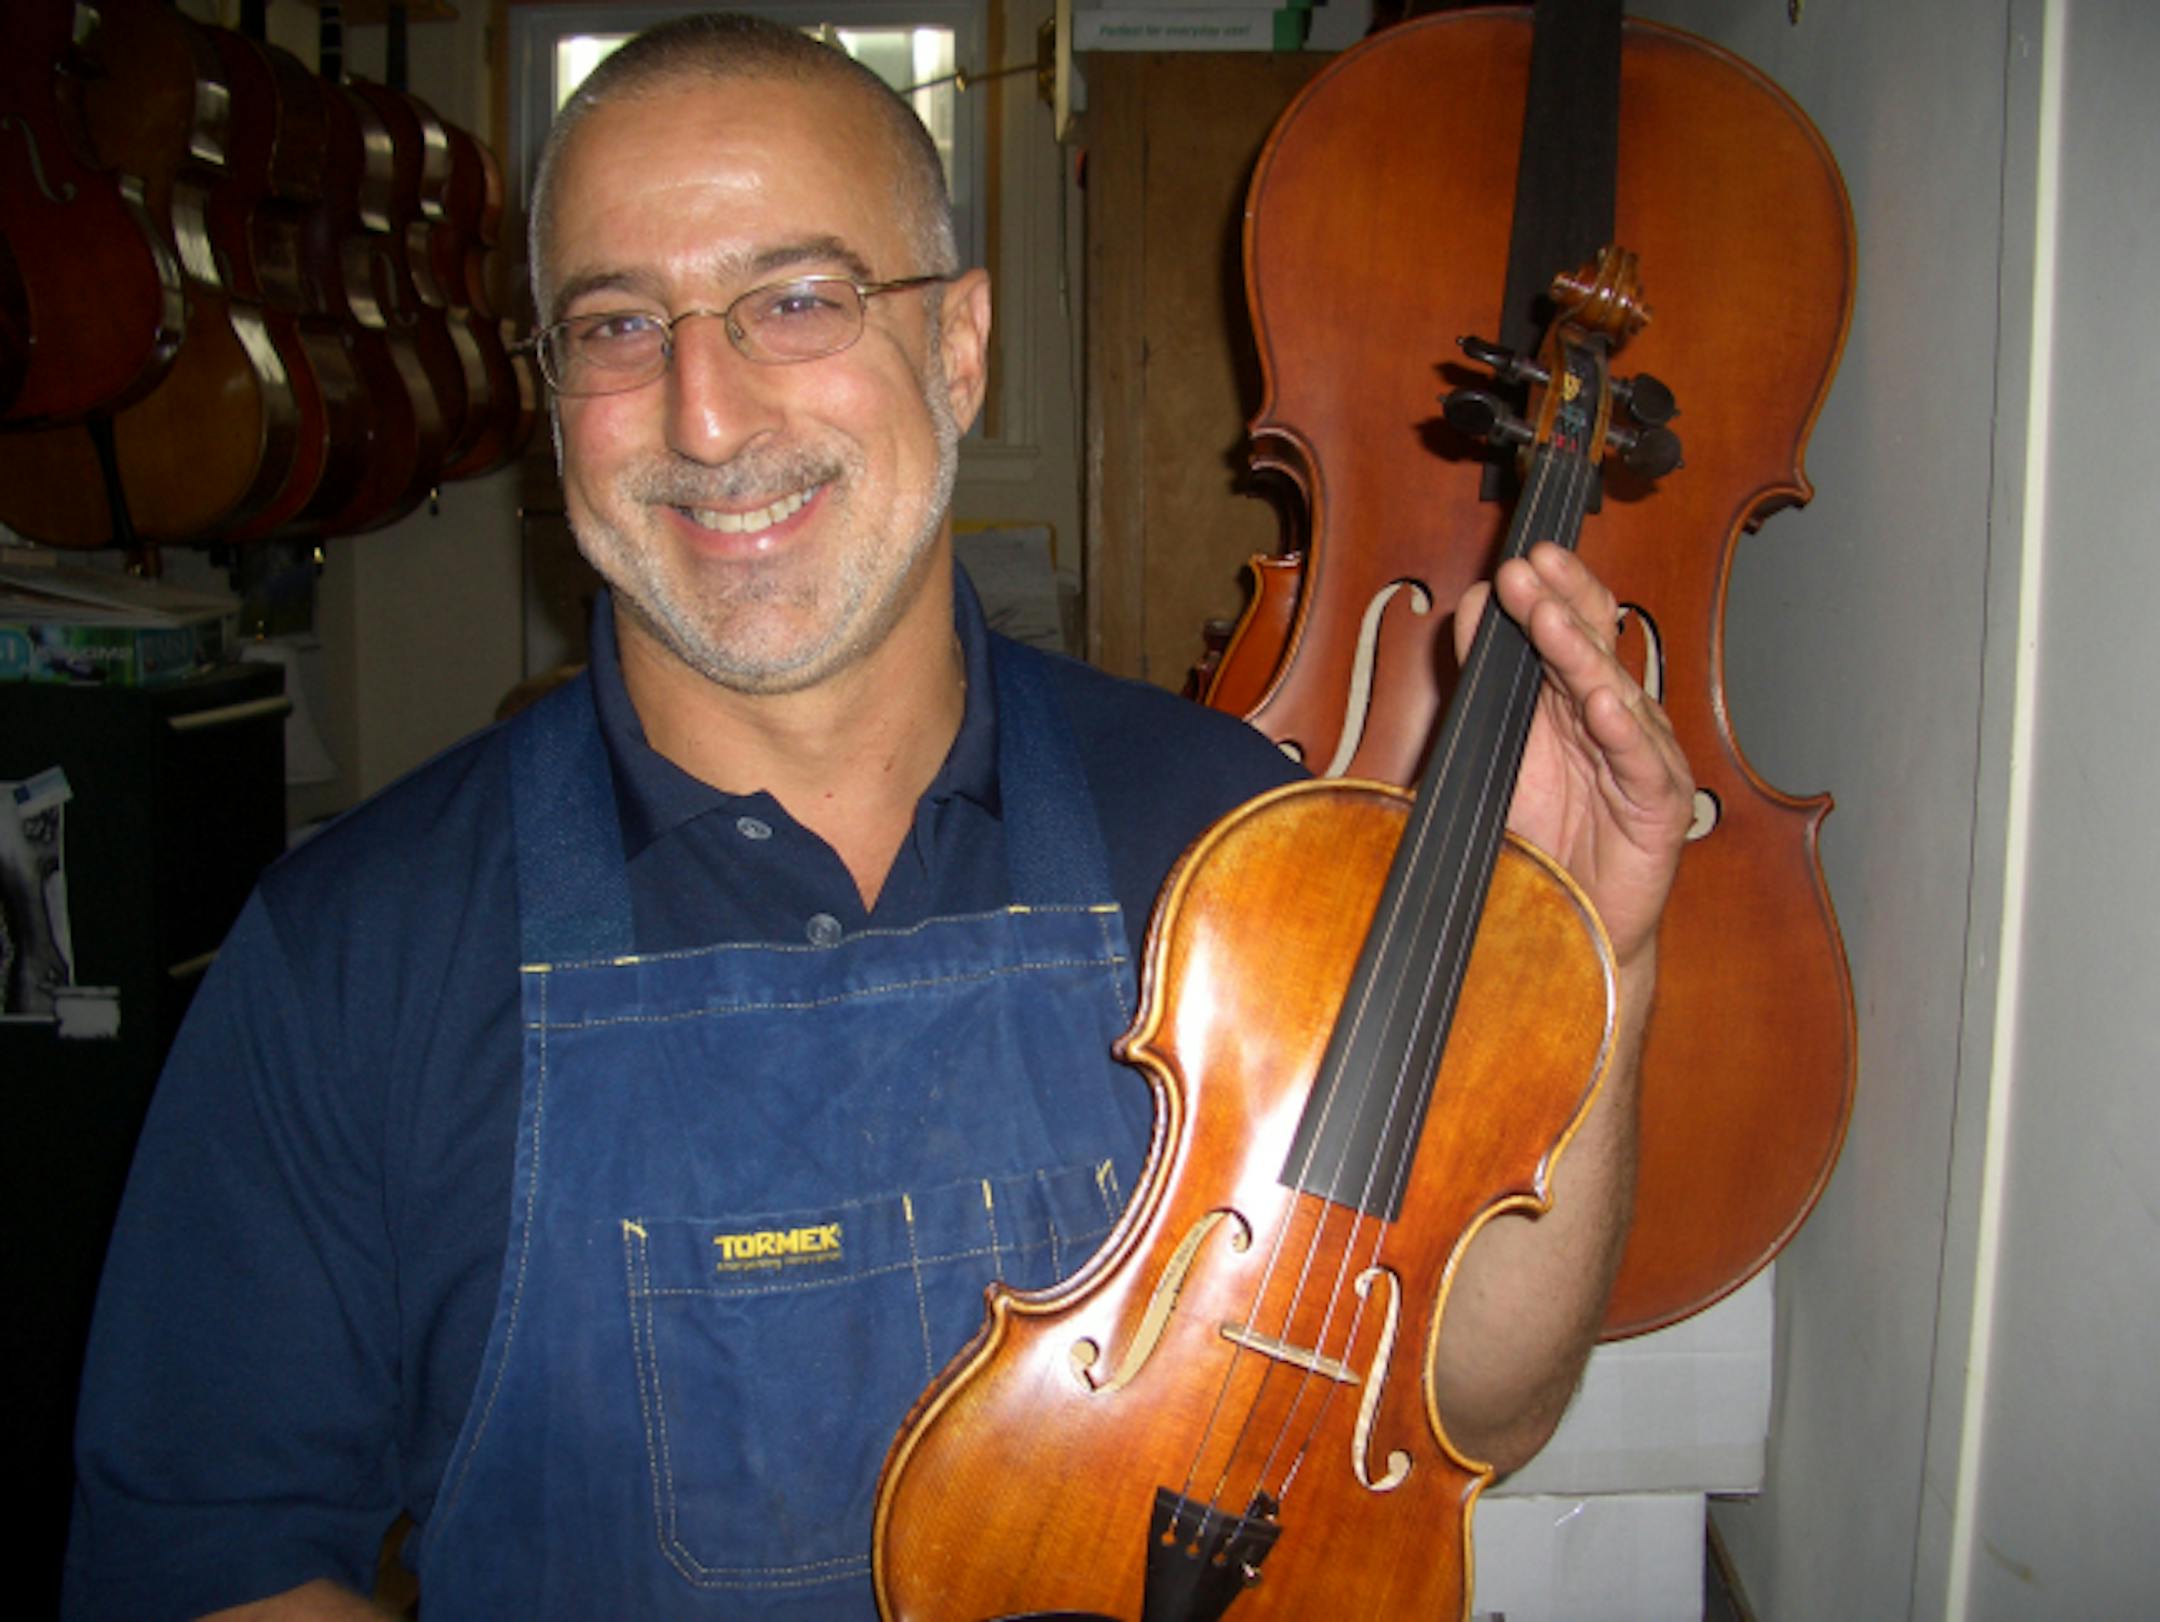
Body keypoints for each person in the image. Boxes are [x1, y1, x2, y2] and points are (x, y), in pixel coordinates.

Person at [64, 14, 1695, 1619]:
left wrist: (1593, 973)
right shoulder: (353, 949)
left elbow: (1470, 1401)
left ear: (962, 347)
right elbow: (204, 1559)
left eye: (795, 299)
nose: (706, 417)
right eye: (620, 326)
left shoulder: (1236, 848)